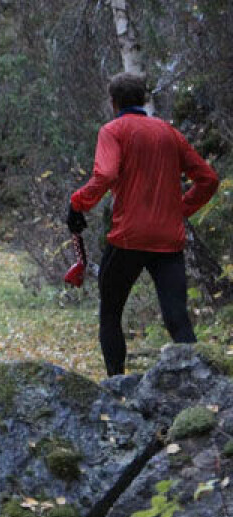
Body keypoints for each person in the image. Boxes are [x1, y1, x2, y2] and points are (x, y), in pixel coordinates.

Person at [67, 71, 218, 376]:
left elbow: (105, 175)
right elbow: (209, 179)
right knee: (178, 319)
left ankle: (115, 388)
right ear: (145, 99)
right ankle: (202, 389)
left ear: (113, 103)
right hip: (168, 239)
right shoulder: (169, 133)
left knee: (110, 313)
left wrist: (77, 203)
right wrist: (180, 210)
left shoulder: (113, 131)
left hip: (128, 238)